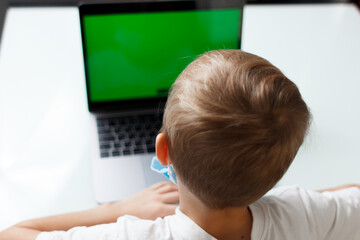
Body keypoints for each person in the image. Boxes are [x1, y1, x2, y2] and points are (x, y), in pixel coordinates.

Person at [1, 49, 359, 240]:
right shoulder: (307, 215)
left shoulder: (132, 233)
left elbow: (12, 235)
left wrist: (115, 209)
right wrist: (293, 200)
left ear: (162, 151)